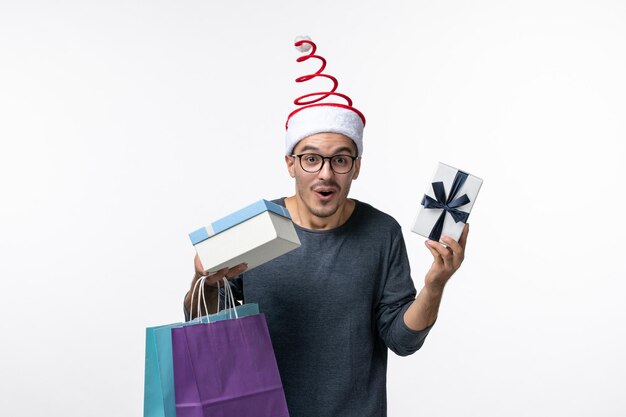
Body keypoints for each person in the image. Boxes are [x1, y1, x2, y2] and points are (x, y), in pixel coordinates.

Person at [183, 37, 469, 417]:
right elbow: (203, 329)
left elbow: (402, 341)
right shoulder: (255, 227)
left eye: (340, 160)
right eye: (311, 159)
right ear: (290, 163)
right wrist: (206, 282)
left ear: (357, 166)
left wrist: (435, 284)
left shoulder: (381, 232)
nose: (325, 174)